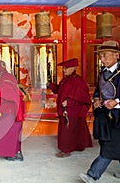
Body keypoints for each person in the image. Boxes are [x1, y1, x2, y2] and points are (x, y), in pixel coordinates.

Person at [80, 40, 120, 182]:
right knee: (107, 143)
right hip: (104, 115)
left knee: (110, 146)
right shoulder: (103, 72)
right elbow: (98, 90)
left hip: (117, 116)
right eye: (100, 56)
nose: (101, 59)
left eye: (105, 56)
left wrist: (117, 102)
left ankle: (92, 175)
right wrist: (96, 98)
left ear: (117, 55)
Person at [48, 58, 93, 158]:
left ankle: (66, 150)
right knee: (75, 128)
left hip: (73, 110)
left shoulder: (78, 81)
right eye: (64, 68)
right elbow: (59, 90)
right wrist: (51, 85)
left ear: (73, 68)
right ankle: (79, 145)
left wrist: (69, 102)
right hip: (68, 109)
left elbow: (83, 97)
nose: (64, 70)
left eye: (66, 68)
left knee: (67, 130)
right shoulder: (66, 80)